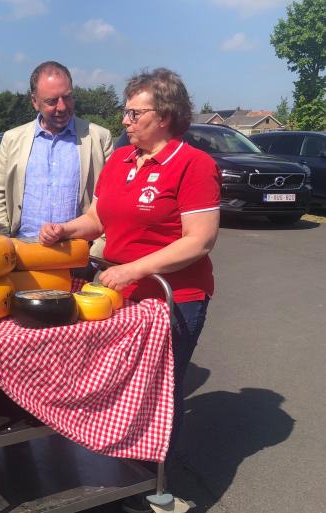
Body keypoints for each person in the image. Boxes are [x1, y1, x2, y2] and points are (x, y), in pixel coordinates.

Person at [38, 68, 220, 513]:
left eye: (135, 112)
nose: (125, 121)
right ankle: (119, 470)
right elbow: (98, 219)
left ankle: (150, 488)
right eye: (126, 111)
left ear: (166, 115)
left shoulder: (194, 164)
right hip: (120, 294)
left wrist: (133, 269)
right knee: (120, 385)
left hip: (174, 300)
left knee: (160, 389)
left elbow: (200, 240)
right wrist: (66, 228)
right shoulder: (121, 158)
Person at [0, 61, 113, 244]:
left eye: (67, 97)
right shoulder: (12, 139)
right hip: (22, 252)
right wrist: (4, 241)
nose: (61, 107)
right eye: (52, 101)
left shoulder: (99, 138)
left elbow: (109, 201)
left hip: (79, 255)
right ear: (34, 102)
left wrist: (94, 253)